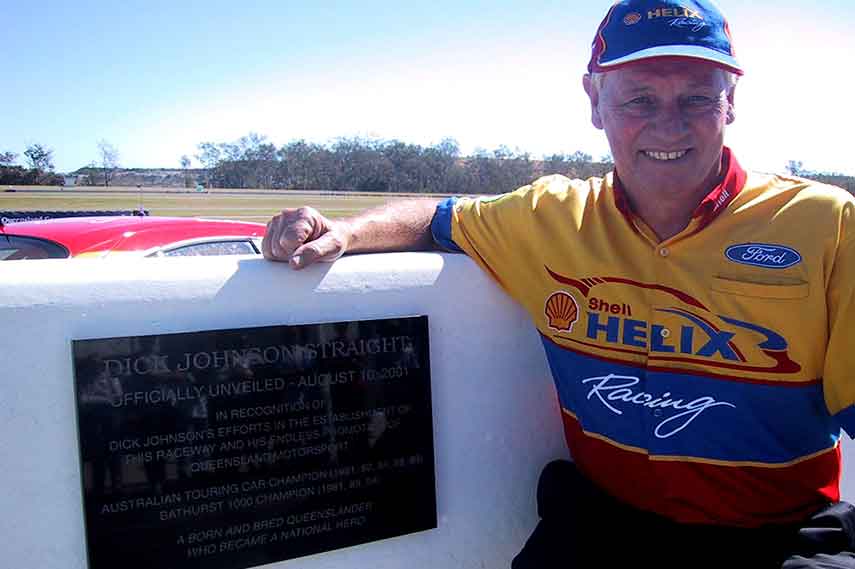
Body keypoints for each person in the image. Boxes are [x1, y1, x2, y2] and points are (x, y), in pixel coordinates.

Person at [263, 1, 855, 566]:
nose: (667, 125)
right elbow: (434, 217)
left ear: (731, 103)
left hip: (777, 531)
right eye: (639, 99)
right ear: (595, 101)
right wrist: (345, 232)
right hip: (609, 520)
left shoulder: (825, 224)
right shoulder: (549, 216)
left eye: (696, 98)